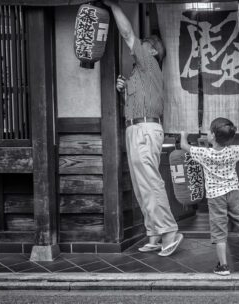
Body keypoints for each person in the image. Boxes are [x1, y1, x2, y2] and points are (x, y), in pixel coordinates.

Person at [104, 0, 183, 256]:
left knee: (150, 182)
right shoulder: (139, 74)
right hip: (136, 128)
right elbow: (133, 106)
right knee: (141, 185)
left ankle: (170, 230)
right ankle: (154, 233)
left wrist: (113, 5)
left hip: (145, 129)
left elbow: (127, 34)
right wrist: (123, 90)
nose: (136, 48)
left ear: (151, 51)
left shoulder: (149, 64)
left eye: (144, 45)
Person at [180, 117, 239, 275]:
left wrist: (184, 134)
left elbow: (183, 146)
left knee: (219, 232)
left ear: (212, 136)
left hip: (215, 197)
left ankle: (224, 266)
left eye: (208, 130)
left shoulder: (204, 153)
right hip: (233, 193)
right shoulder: (233, 150)